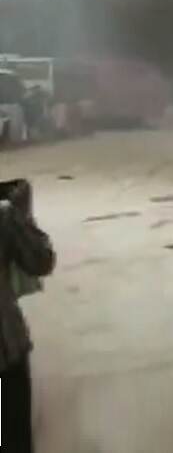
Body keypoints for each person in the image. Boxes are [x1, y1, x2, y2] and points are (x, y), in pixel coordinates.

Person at [0, 179, 56, 453]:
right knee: (14, 439)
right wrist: (23, 216)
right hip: (5, 350)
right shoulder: (4, 216)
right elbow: (41, 261)